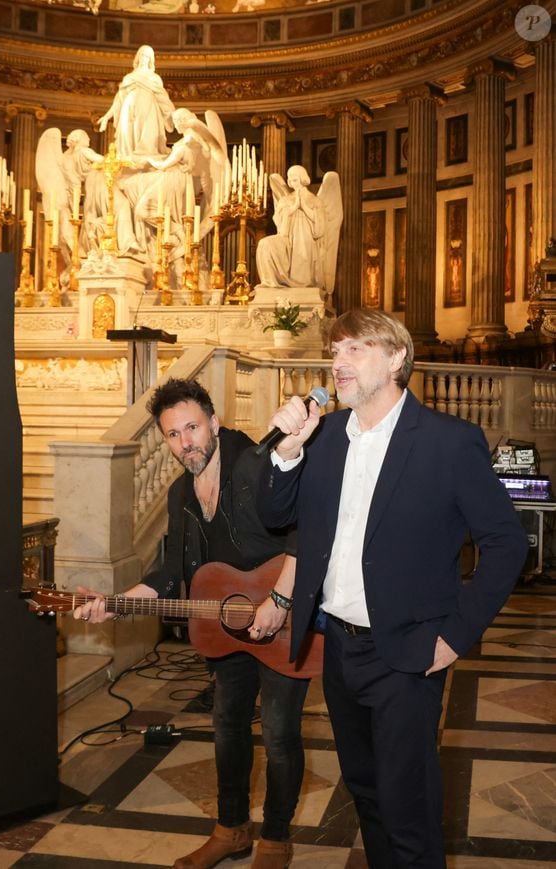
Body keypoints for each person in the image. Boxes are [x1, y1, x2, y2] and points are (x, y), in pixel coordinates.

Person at [255, 308, 529, 869]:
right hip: (337, 649)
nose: (339, 362)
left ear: (397, 357)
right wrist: (287, 451)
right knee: (366, 793)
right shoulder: (325, 435)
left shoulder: (449, 442)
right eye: (335, 351)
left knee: (409, 809)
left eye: (355, 348)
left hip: (407, 655)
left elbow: (507, 544)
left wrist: (454, 638)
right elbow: (274, 517)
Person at [74, 378, 308, 869]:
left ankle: (277, 840)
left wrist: (280, 603)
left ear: (214, 424)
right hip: (227, 630)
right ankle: (232, 830)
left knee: (281, 734)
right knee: (227, 727)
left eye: (193, 428)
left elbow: (307, 534)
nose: (186, 443)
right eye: (173, 434)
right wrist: (115, 603)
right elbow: (169, 574)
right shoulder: (180, 491)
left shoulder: (257, 462)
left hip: (282, 618)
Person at [98, 45, 175, 159]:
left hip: (148, 110)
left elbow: (163, 99)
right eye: (142, 55)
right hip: (129, 111)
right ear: (138, 57)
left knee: (148, 139)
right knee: (128, 140)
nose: (144, 58)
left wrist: (172, 115)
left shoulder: (154, 78)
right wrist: (106, 116)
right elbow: (119, 101)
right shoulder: (129, 77)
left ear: (150, 60)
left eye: (147, 56)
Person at [256, 165, 326, 289]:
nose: (292, 182)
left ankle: (301, 284)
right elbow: (279, 222)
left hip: (305, 239)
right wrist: (293, 207)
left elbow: (320, 226)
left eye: (295, 179)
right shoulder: (285, 200)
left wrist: (304, 206)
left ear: (302, 179)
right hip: (286, 238)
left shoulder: (315, 201)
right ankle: (270, 282)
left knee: (303, 247)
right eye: (290, 179)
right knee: (264, 244)